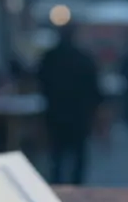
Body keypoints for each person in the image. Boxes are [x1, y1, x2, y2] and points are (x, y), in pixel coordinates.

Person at [36, 23, 101, 185]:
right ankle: (77, 188)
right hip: (80, 115)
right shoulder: (84, 58)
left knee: (57, 156)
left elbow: (41, 82)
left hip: (55, 114)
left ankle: (57, 187)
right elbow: (95, 89)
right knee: (79, 156)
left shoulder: (49, 57)